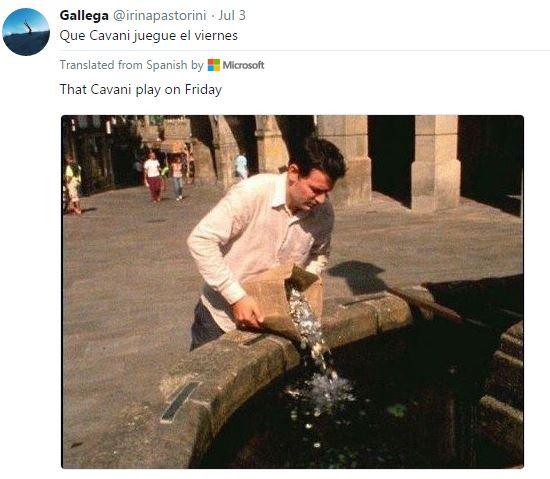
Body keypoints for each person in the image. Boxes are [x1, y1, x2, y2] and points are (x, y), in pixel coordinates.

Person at [187, 136, 346, 350]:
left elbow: (320, 253)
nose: (321, 200)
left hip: (275, 321)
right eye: (315, 190)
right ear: (293, 173)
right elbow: (201, 240)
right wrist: (237, 298)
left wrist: (304, 283)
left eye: (327, 192)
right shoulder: (252, 193)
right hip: (220, 321)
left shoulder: (323, 214)